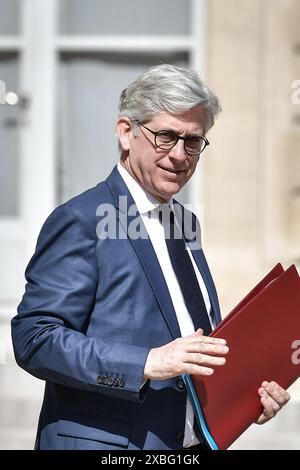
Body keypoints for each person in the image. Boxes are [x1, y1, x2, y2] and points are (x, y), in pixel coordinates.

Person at [11, 64, 290, 450]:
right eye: (165, 137)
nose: (179, 155)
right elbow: (35, 340)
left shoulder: (184, 222)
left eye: (193, 141)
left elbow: (194, 342)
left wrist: (244, 394)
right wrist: (146, 362)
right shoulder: (81, 219)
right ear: (126, 132)